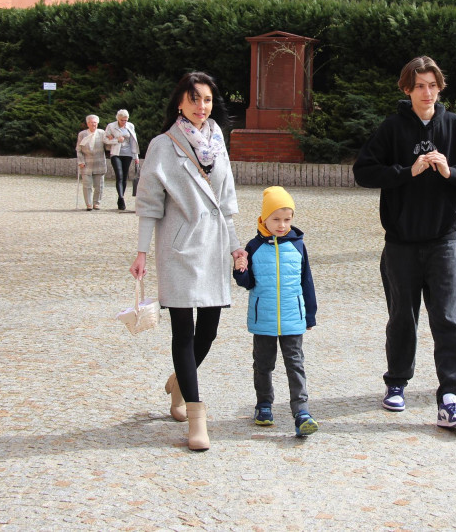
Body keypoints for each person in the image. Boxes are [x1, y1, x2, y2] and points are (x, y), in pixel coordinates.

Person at [353, 56, 456, 429]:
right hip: (401, 243)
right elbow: (363, 172)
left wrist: (450, 171)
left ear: (440, 88)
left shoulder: (454, 125)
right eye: (419, 86)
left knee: (450, 320)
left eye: (432, 86)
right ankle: (396, 383)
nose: (427, 93)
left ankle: (451, 398)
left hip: (443, 241)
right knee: (402, 318)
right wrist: (405, 171)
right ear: (407, 89)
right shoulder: (392, 128)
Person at [129, 72, 247, 451]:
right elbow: (148, 202)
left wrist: (235, 247)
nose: (201, 106)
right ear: (179, 102)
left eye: (207, 99)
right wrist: (141, 252)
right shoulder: (163, 145)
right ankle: (197, 418)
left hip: (213, 248)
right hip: (178, 249)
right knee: (183, 330)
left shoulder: (218, 141)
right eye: (194, 99)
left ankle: (179, 380)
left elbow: (226, 203)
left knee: (208, 331)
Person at [233, 186, 320, 437]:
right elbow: (248, 282)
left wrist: (310, 314)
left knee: (295, 364)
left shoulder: (298, 245)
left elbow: (306, 281)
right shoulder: (254, 246)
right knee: (263, 364)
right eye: (276, 219)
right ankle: (263, 406)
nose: (282, 225)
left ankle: (302, 412)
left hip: (293, 318)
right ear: (264, 219)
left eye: (287, 219)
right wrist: (239, 270)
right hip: (264, 319)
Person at [104, 109, 140, 212]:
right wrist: (116, 140)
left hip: (128, 154)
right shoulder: (111, 126)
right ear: (118, 118)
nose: (124, 122)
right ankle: (120, 197)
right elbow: (105, 139)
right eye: (122, 120)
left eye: (125, 120)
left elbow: (133, 141)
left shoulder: (130, 126)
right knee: (119, 175)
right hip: (116, 153)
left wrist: (136, 157)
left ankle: (122, 196)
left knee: (124, 176)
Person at [76, 115, 107, 210]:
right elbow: (78, 149)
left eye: (95, 122)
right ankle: (88, 204)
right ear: (87, 124)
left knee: (99, 185)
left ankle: (96, 203)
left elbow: (108, 146)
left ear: (97, 123)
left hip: (99, 162)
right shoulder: (82, 134)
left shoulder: (102, 133)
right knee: (87, 185)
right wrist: (80, 161)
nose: (93, 124)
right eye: (91, 122)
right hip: (86, 163)